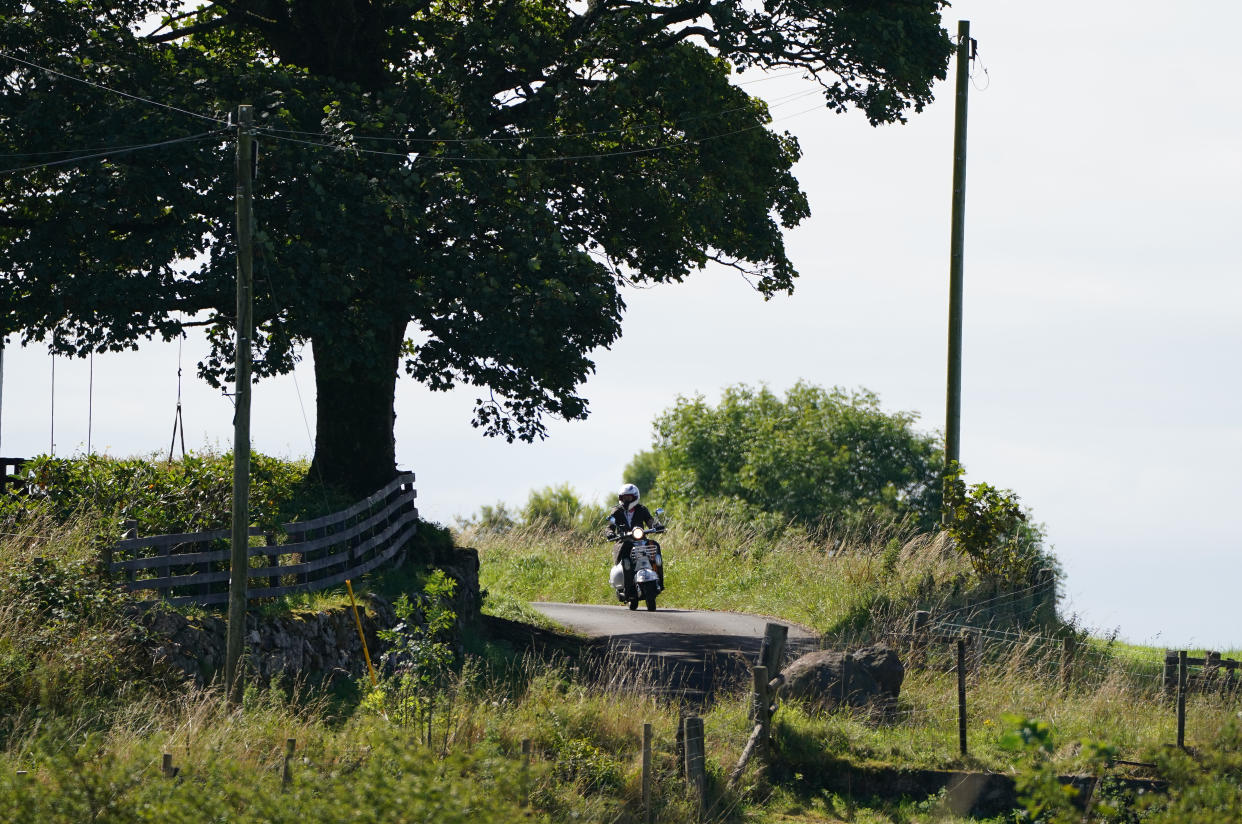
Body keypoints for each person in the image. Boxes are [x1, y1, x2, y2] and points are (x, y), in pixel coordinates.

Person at [608, 483, 663, 597]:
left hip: (641, 540)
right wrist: (610, 533)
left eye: (629, 497)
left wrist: (657, 526)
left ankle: (659, 582)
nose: (626, 500)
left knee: (655, 546)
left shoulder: (641, 509)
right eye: (624, 497)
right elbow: (609, 526)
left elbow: (650, 521)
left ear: (635, 497)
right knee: (626, 558)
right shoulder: (616, 511)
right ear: (620, 498)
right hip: (624, 541)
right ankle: (628, 590)